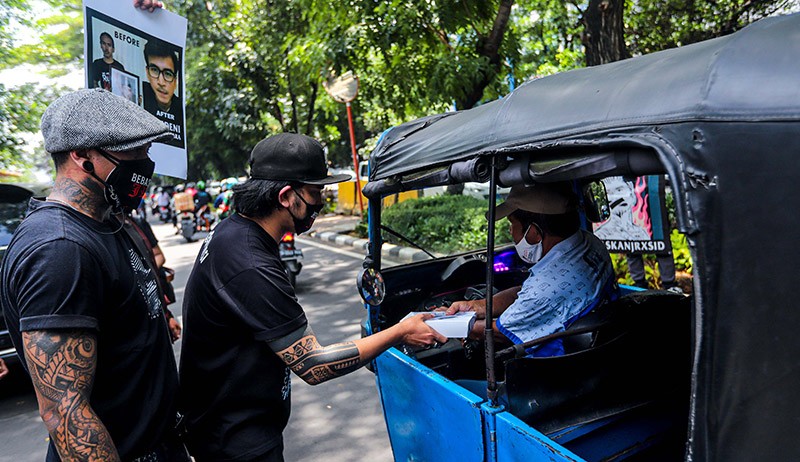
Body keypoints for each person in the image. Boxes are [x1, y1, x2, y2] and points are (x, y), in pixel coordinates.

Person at [179, 133, 447, 461]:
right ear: (287, 196)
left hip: (233, 424)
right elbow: (314, 364)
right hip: (234, 439)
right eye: (316, 192)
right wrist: (401, 331)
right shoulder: (249, 262)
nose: (320, 201)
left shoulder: (234, 232)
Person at [0, 88, 189, 461]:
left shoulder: (111, 224)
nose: (145, 163)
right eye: (133, 152)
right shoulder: (59, 248)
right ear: (82, 155)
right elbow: (66, 412)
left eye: (146, 152)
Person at [445, 183, 618, 357]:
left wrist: (447, 323)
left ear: (534, 232)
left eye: (512, 225)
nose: (511, 232)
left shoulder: (543, 291)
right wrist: (478, 307)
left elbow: (499, 332)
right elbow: (523, 293)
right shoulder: (590, 243)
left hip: (553, 375)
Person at [142, 37, 185, 148]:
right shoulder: (139, 94)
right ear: (147, 73)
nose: (161, 82)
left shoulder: (181, 111)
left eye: (168, 74)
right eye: (154, 70)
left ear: (175, 81)